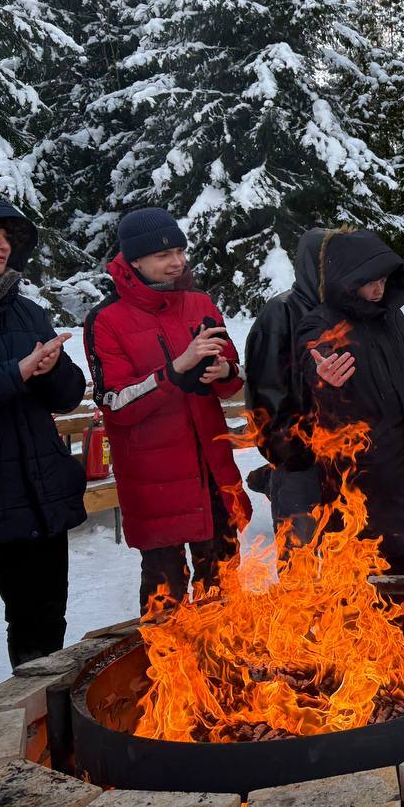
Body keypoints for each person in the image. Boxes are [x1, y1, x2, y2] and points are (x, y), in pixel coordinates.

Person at [83, 207, 250, 614]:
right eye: (162, 255)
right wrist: (175, 370)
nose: (176, 262)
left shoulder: (199, 303)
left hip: (212, 473)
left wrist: (225, 371)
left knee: (224, 595)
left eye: (179, 251)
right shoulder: (106, 320)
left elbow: (231, 381)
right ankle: (165, 676)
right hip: (155, 483)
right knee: (166, 602)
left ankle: (224, 673)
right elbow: (115, 405)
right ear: (133, 260)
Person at [0, 196, 87, 691]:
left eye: (8, 237)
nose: (2, 245)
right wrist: (17, 372)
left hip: (37, 504)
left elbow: (66, 398)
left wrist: (52, 370)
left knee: (43, 640)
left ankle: (44, 741)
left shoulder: (29, 313)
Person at [297, 228, 404, 575]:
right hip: (360, 475)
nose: (378, 289)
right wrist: (321, 379)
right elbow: (310, 370)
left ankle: (396, 629)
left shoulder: (391, 317)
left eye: (382, 280)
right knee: (360, 575)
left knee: (398, 569)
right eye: (369, 282)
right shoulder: (321, 323)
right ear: (345, 279)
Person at [244, 229, 329, 546]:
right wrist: (291, 454)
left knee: (344, 560)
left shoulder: (347, 312)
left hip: (342, 458)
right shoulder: (282, 311)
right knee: (300, 561)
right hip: (299, 461)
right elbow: (266, 392)